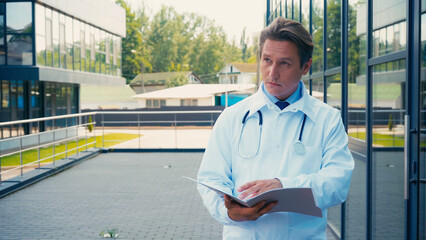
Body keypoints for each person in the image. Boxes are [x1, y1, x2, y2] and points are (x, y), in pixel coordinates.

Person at [197, 17, 354, 239]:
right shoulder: (232, 117)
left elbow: (337, 182)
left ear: (306, 66)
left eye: (284, 63)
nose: (272, 73)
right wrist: (229, 212)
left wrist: (282, 186)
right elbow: (211, 179)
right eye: (267, 60)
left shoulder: (327, 119)